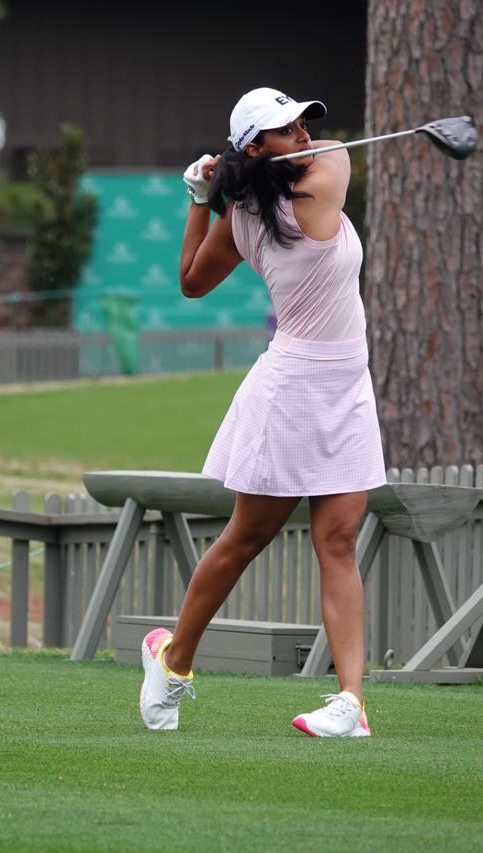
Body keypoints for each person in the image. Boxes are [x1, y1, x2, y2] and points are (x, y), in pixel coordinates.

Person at [138, 87, 385, 738]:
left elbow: (332, 147)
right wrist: (208, 198)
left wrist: (215, 189)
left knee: (338, 541)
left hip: (347, 384)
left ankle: (351, 703)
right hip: (291, 390)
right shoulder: (299, 196)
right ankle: (173, 659)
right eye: (285, 128)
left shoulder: (272, 195)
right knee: (246, 538)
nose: (304, 134)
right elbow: (192, 281)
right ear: (254, 147)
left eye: (302, 121)